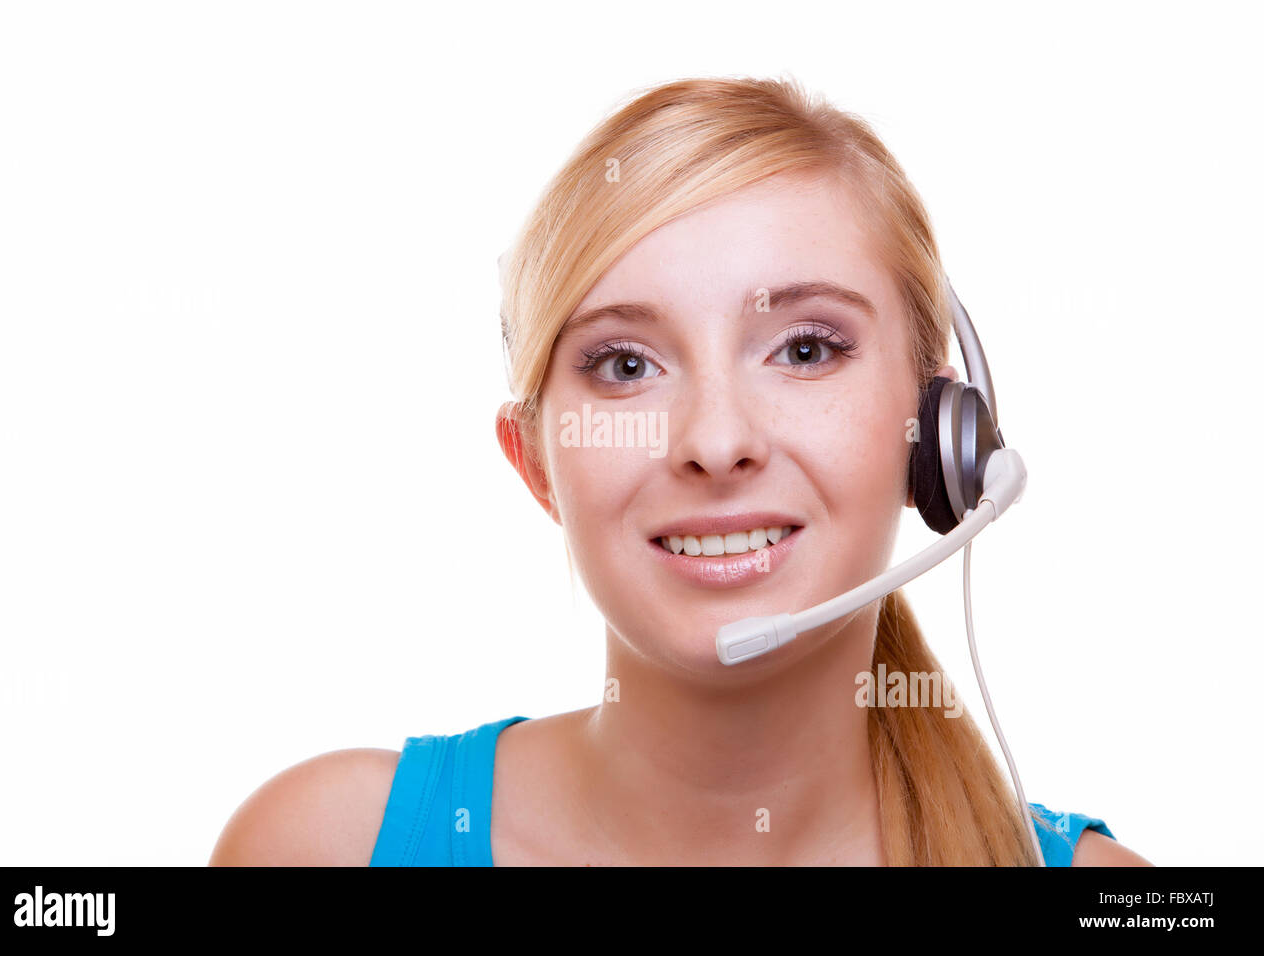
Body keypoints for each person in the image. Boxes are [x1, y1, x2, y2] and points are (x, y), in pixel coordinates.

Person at [210, 76, 1150, 866]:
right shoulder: (325, 844)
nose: (714, 440)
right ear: (536, 462)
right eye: (625, 365)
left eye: (807, 349)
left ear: (943, 434)